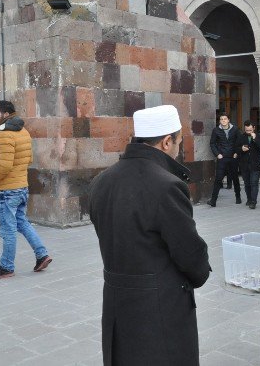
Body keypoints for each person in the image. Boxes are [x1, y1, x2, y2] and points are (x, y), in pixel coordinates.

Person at [88, 105, 211, 366]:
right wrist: (200, 271)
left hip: (116, 303)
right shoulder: (167, 185)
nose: (178, 147)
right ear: (167, 142)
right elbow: (190, 253)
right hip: (159, 308)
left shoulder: (102, 180)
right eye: (178, 141)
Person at [0, 101, 52, 280]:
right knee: (21, 223)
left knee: (7, 229)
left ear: (6, 115)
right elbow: (27, 159)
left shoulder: (5, 134)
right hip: (21, 187)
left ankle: (6, 267)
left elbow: (4, 166)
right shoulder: (22, 130)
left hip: (8, 189)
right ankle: (42, 255)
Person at [207, 112, 241, 207]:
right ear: (220, 120)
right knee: (218, 179)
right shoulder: (216, 130)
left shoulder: (235, 129)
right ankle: (213, 200)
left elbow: (239, 142)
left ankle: (238, 197)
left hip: (233, 157)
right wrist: (217, 154)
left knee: (235, 178)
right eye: (221, 119)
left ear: (228, 120)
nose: (223, 121)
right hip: (222, 158)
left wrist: (237, 153)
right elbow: (212, 143)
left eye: (225, 119)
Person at [235, 120, 260, 209]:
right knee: (247, 183)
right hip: (244, 165)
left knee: (254, 183)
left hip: (255, 164)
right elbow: (236, 148)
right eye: (247, 130)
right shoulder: (241, 137)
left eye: (250, 130)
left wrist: (255, 138)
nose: (248, 132)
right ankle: (249, 199)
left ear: (254, 128)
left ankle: (253, 201)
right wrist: (241, 149)